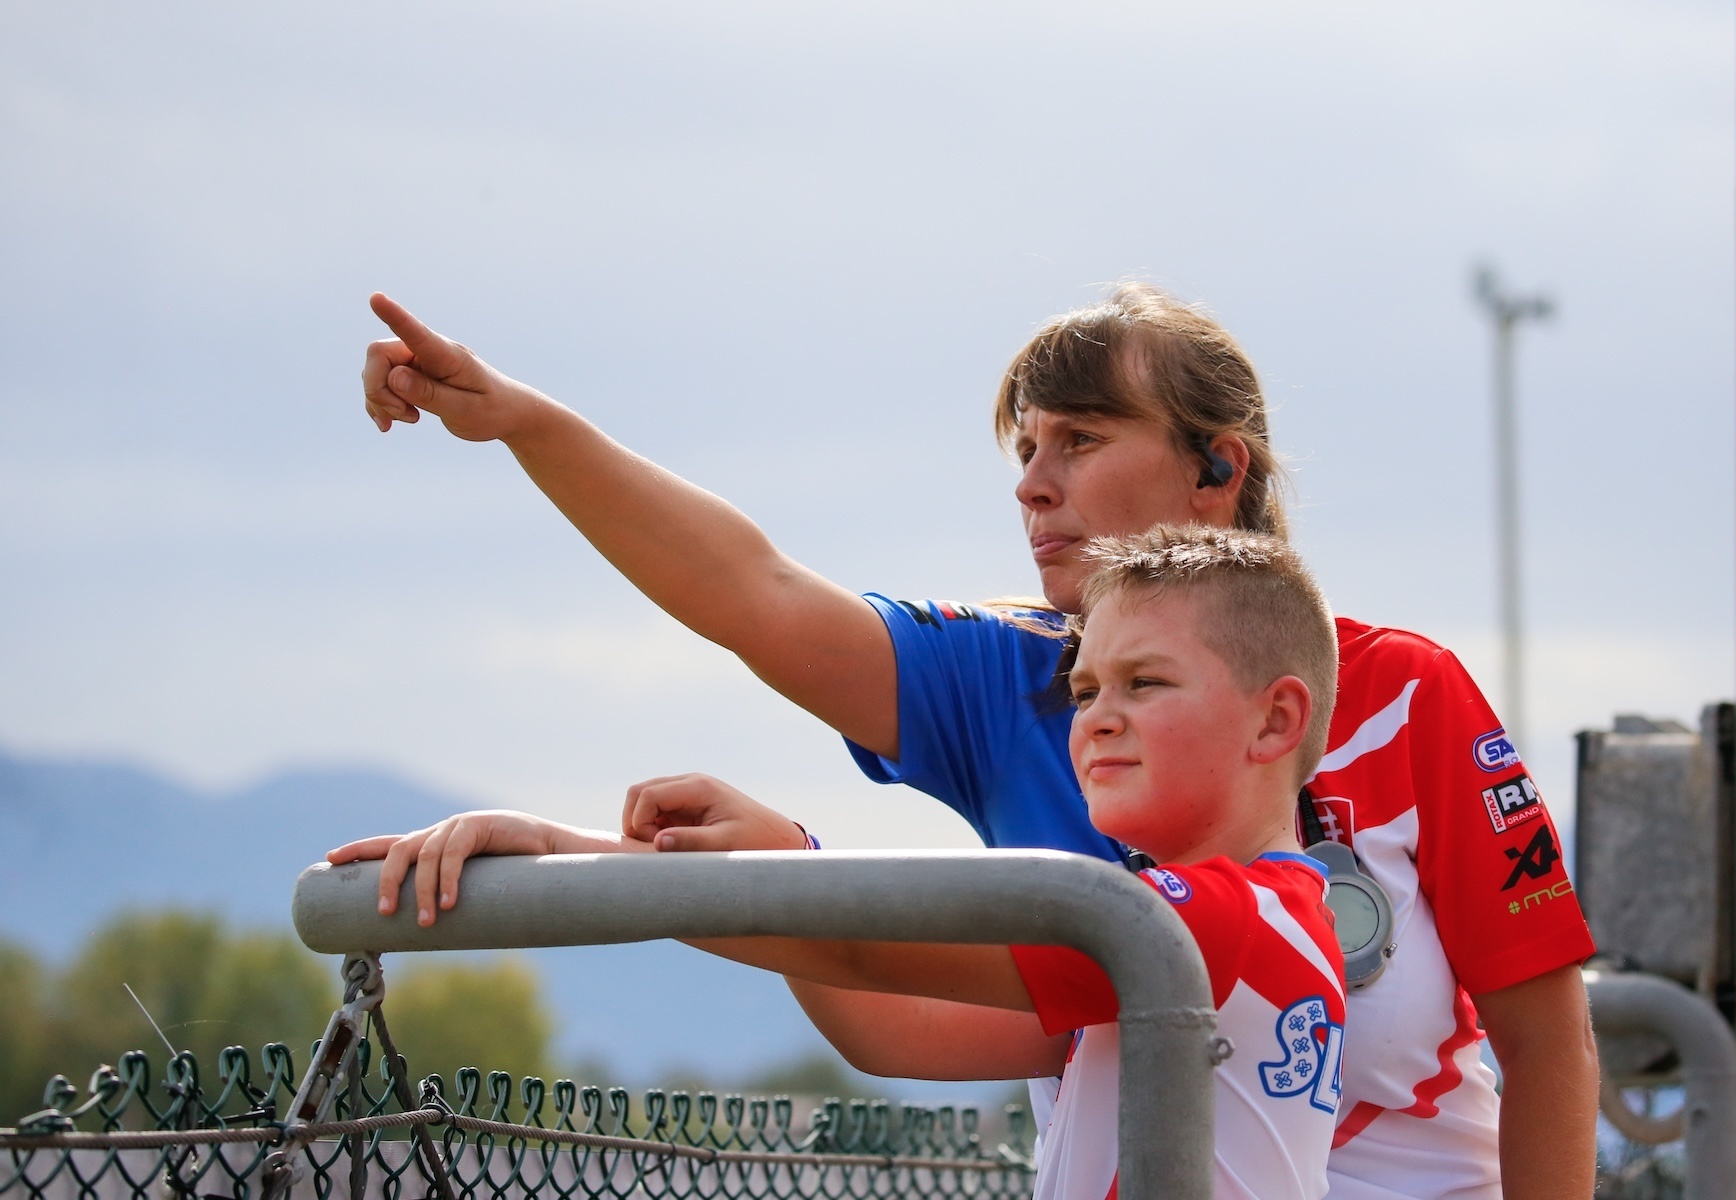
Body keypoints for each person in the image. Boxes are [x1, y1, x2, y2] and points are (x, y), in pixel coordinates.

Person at [337, 283, 1599, 1199]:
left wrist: (623, 869)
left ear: (1222, 468)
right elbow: (762, 600)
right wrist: (524, 425)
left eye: (1082, 440)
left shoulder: (1400, 702)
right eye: (1025, 447)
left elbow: (1547, 1039)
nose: (1031, 484)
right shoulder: (1019, 673)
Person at [349, 525, 1354, 1200]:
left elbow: (868, 953)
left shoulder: (1196, 923)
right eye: (1085, 689)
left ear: (1277, 720)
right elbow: (885, 1016)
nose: (1098, 719)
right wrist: (571, 855)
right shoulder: (1237, 924)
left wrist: (772, 857)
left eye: (1145, 682)